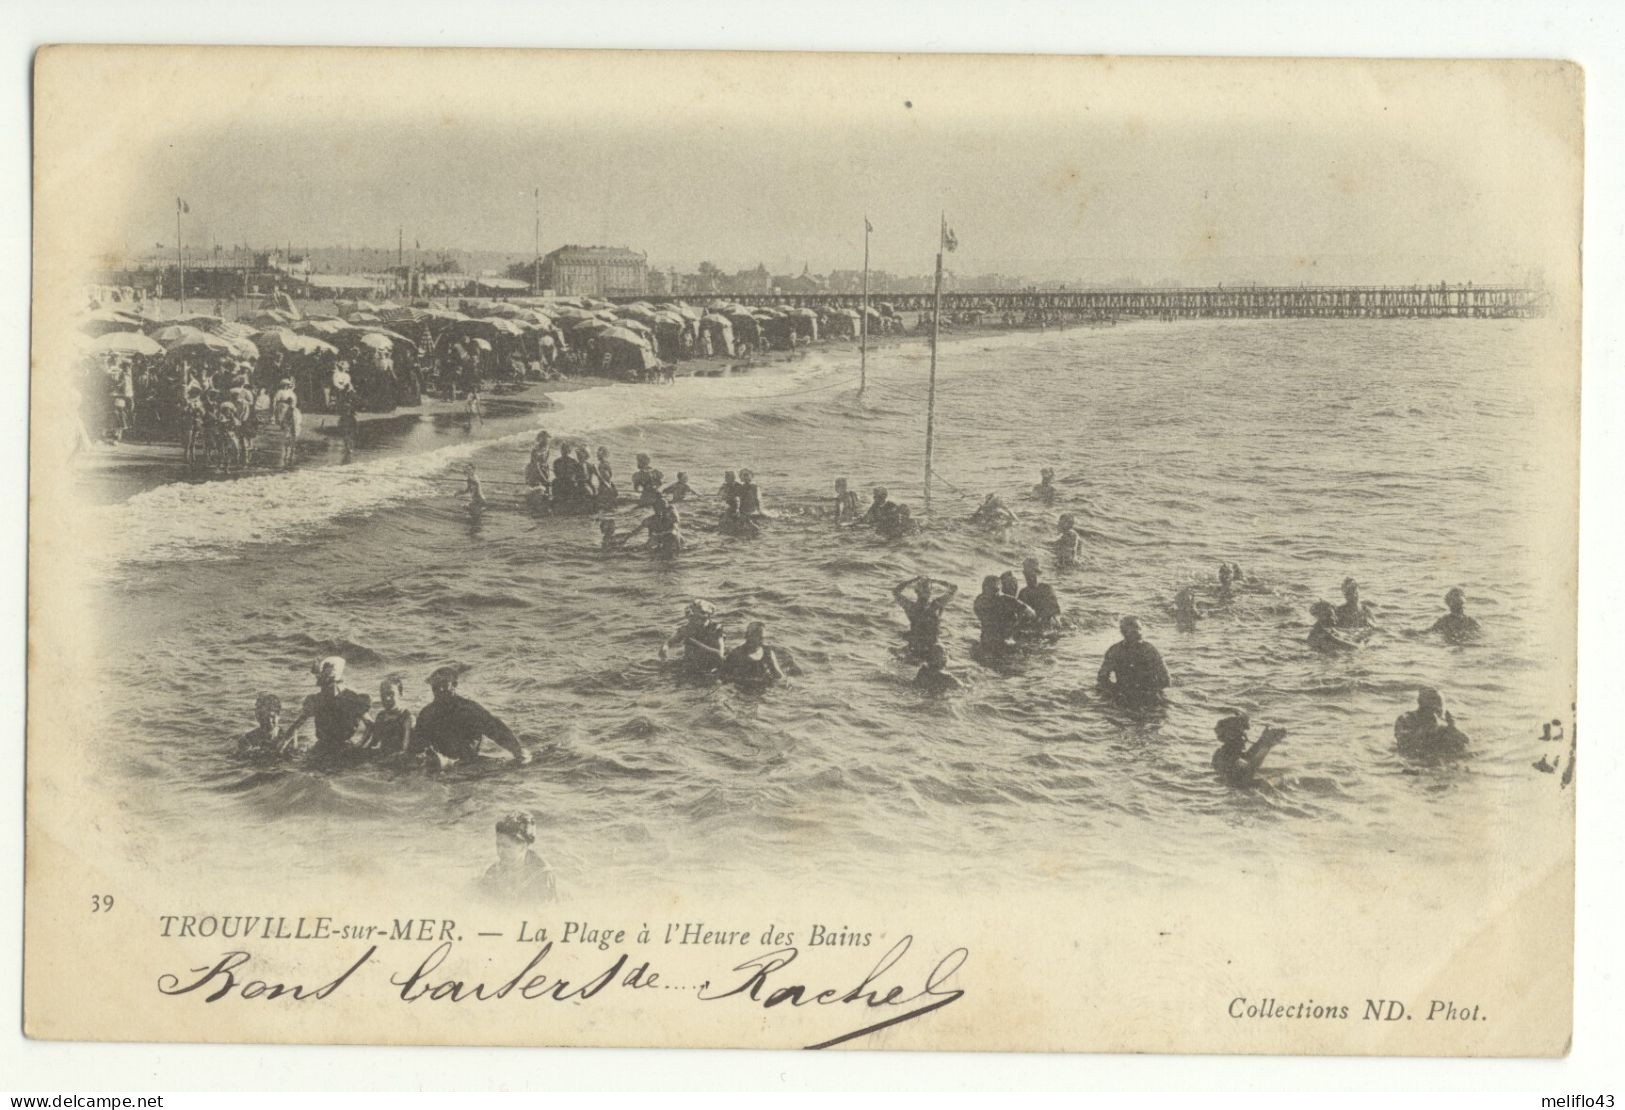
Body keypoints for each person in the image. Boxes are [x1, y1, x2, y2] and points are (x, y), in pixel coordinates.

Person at [413, 665, 529, 769]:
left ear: (454, 684)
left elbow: (495, 729)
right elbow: (418, 743)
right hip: (440, 764)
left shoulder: (470, 709)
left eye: (444, 684)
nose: (440, 689)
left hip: (468, 763)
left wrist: (517, 752)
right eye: (435, 687)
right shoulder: (427, 713)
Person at [277, 656, 373, 761]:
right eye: (322, 685)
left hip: (345, 749)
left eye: (328, 685)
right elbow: (297, 725)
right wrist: (283, 745)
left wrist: (360, 744)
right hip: (321, 748)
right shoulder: (317, 700)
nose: (324, 689)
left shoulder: (352, 699)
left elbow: (371, 725)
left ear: (336, 682)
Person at [479, 813, 558, 903]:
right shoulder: (493, 871)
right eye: (498, 845)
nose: (500, 851)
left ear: (524, 845)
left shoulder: (542, 875)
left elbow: (543, 914)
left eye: (507, 846)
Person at [1096, 617, 1171, 707]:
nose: (1138, 633)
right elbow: (1102, 678)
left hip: (1148, 694)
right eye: (1133, 631)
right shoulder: (1115, 651)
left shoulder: (1150, 650)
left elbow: (1166, 680)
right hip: (1123, 693)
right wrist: (1115, 691)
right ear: (1123, 632)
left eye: (1138, 629)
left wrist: (1150, 691)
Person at [1210, 711, 1287, 787]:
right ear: (1231, 735)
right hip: (1240, 788)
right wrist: (1267, 745)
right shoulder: (1226, 756)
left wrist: (1263, 740)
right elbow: (1249, 769)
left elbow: (1247, 757)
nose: (1245, 738)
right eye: (1241, 732)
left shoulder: (1223, 752)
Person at [892, 575, 958, 659]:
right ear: (917, 591)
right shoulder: (935, 605)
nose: (925, 591)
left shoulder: (912, 607)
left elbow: (896, 592)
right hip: (926, 646)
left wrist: (933, 580)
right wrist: (935, 581)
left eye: (926, 589)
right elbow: (953, 589)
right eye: (923, 588)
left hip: (919, 645)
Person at [1394, 686, 1471, 757]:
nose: (1435, 707)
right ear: (1420, 704)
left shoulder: (1447, 720)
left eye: (1439, 704)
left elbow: (1466, 741)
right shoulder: (1407, 718)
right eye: (1430, 704)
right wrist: (1428, 729)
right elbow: (1403, 742)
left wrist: (1452, 727)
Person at [659, 599, 728, 674]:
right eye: (693, 618)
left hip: (710, 663)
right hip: (691, 662)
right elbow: (669, 642)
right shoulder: (688, 628)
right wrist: (664, 648)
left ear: (707, 617)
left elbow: (719, 654)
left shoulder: (715, 629)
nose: (695, 622)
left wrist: (694, 642)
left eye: (699, 618)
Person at [973, 574, 1035, 649]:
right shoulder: (1007, 600)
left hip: (987, 641)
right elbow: (1031, 613)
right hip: (1004, 642)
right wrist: (1017, 623)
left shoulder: (979, 600)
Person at [720, 621, 786, 687]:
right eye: (757, 636)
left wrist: (785, 682)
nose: (761, 639)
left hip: (764, 688)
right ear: (747, 636)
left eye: (762, 637)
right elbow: (723, 676)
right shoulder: (737, 654)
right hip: (742, 689)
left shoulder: (768, 652)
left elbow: (779, 675)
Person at [365, 675, 415, 758]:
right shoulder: (381, 716)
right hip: (383, 756)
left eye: (391, 694)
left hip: (398, 760)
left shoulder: (407, 718)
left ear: (400, 693)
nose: (387, 698)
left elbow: (404, 750)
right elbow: (373, 743)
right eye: (383, 694)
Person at [1018, 557, 1063, 631]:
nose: (1029, 577)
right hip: (1033, 623)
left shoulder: (1046, 588)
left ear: (1037, 573)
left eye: (1032, 574)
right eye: (1026, 574)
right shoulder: (1023, 592)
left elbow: (1055, 610)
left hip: (1047, 622)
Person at [237, 693, 286, 758]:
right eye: (265, 717)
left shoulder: (286, 738)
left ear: (279, 716)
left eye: (272, 717)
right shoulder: (247, 739)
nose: (269, 721)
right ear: (258, 717)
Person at [271, 377, 301, 468]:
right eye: (284, 385)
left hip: (291, 409)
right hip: (282, 408)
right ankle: (285, 448)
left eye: (287, 385)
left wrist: (292, 406)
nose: (286, 386)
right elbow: (274, 401)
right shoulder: (279, 392)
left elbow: (294, 401)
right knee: (285, 427)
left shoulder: (291, 392)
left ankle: (292, 447)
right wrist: (274, 411)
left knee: (293, 427)